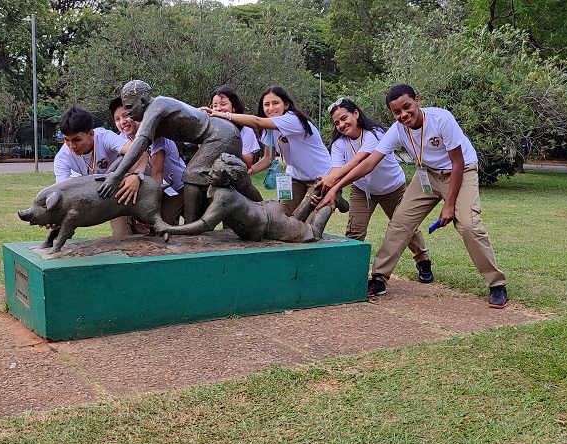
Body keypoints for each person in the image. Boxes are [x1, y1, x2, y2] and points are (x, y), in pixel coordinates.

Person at [317, 84, 508, 307]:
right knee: (400, 223)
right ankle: (379, 278)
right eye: (397, 112)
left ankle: (496, 283)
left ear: (417, 100)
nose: (403, 114)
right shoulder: (397, 130)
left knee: (467, 225)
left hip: (460, 172)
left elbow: (458, 162)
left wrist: (449, 205)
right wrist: (332, 188)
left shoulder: (442, 119)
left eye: (407, 107)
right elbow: (369, 163)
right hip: (426, 174)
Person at [97, 80, 263, 223]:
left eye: (130, 107)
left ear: (142, 100)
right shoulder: (156, 111)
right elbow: (134, 151)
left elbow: (140, 143)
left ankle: (191, 227)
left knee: (191, 175)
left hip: (222, 134)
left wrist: (116, 176)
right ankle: (264, 207)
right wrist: (110, 174)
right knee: (239, 182)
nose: (129, 113)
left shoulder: (156, 108)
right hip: (221, 134)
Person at [318, 97, 434, 284]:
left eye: (344, 118)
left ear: (356, 114)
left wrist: (334, 181)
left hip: (392, 188)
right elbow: (336, 171)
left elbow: (361, 161)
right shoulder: (339, 144)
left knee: (406, 227)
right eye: (336, 122)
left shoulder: (375, 133)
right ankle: (350, 269)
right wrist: (328, 182)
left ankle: (423, 260)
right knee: (355, 230)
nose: (341, 124)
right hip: (362, 189)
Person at [156, 153, 347, 243]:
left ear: (227, 179)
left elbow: (205, 224)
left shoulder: (224, 196)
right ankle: (317, 190)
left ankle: (333, 198)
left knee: (313, 233)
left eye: (215, 173)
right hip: (267, 211)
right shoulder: (217, 186)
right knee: (295, 220)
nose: (210, 174)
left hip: (270, 223)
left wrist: (170, 228)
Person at [201, 86, 332, 217]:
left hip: (320, 176)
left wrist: (222, 114)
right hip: (295, 176)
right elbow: (268, 158)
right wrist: (249, 171)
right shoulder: (270, 129)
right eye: (266, 104)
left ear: (286, 104)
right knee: (282, 218)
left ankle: (336, 198)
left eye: (275, 103)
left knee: (311, 219)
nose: (271, 108)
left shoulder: (293, 119)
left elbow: (257, 122)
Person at [52, 105, 148, 237]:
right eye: (66, 140)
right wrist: (52, 216)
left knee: (147, 233)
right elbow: (62, 193)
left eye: (77, 140)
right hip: (109, 199)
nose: (71, 146)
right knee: (121, 236)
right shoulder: (62, 158)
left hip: (126, 189)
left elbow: (140, 152)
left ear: (91, 134)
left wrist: (137, 175)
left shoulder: (104, 137)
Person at [110, 97, 186, 226]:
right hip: (157, 189)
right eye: (117, 119)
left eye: (126, 116)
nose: (122, 122)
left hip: (179, 187)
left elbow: (158, 172)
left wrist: (152, 207)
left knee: (166, 222)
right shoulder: (121, 140)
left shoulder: (155, 132)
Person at [209, 86, 260, 167]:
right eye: (215, 106)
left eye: (223, 104)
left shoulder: (245, 130)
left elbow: (248, 163)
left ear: (234, 107)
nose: (218, 109)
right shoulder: (208, 129)